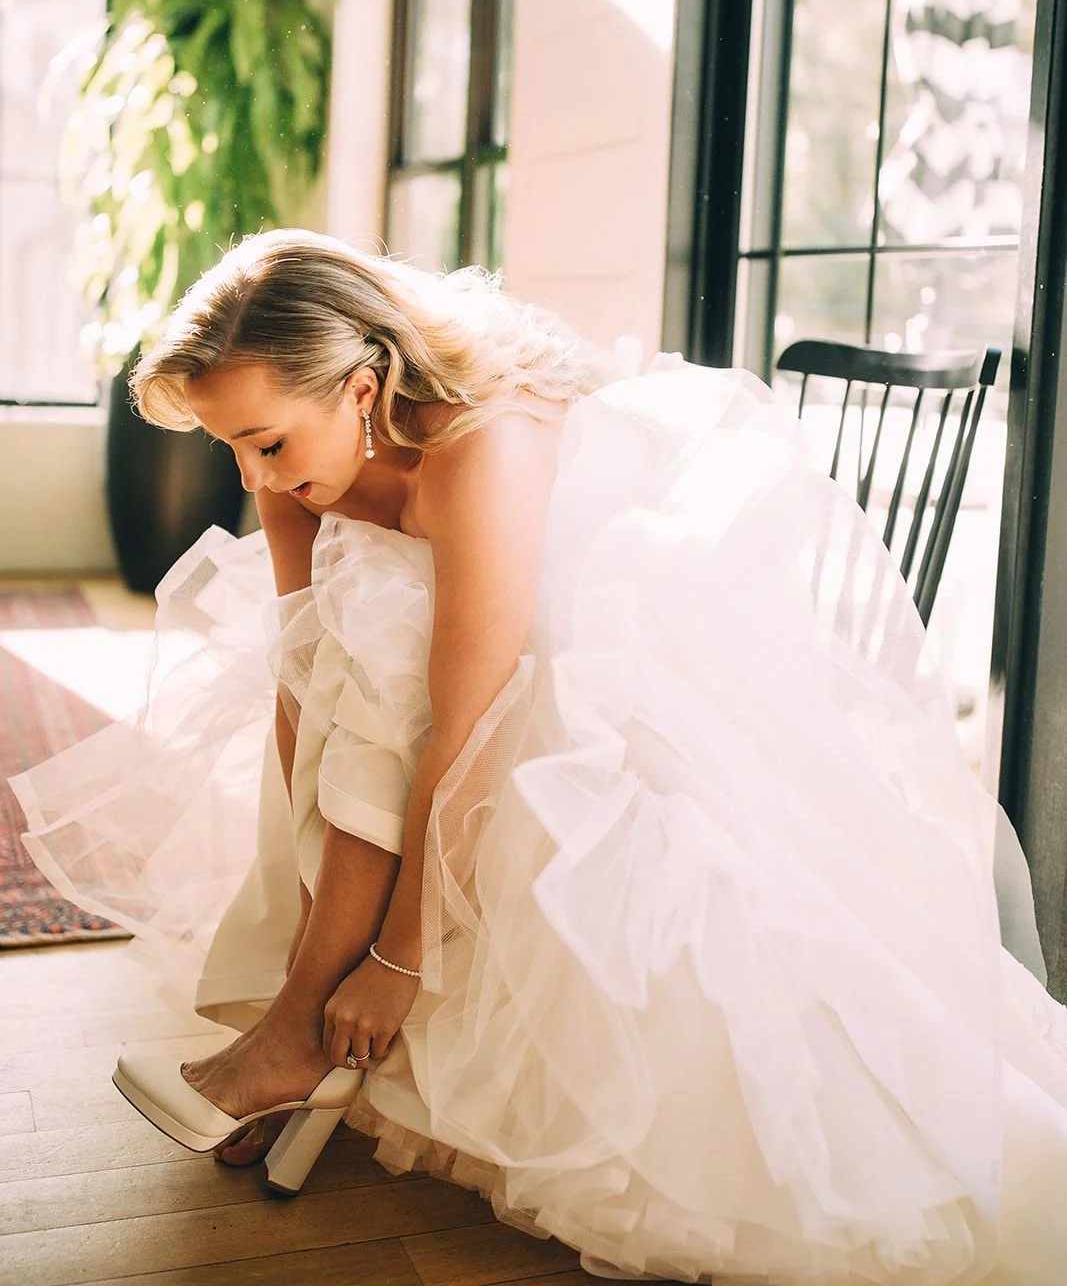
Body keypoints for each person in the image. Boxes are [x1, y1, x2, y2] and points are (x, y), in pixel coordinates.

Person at [12, 229, 1067, 1285]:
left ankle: (295, 1036)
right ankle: (292, 1041)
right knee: (346, 665)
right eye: (230, 448)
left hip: (604, 638)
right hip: (447, 655)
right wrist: (305, 895)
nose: (252, 477)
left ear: (364, 387)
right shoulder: (297, 453)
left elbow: (468, 719)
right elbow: (301, 665)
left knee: (383, 667)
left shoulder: (483, 444)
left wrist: (398, 957)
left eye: (268, 444)